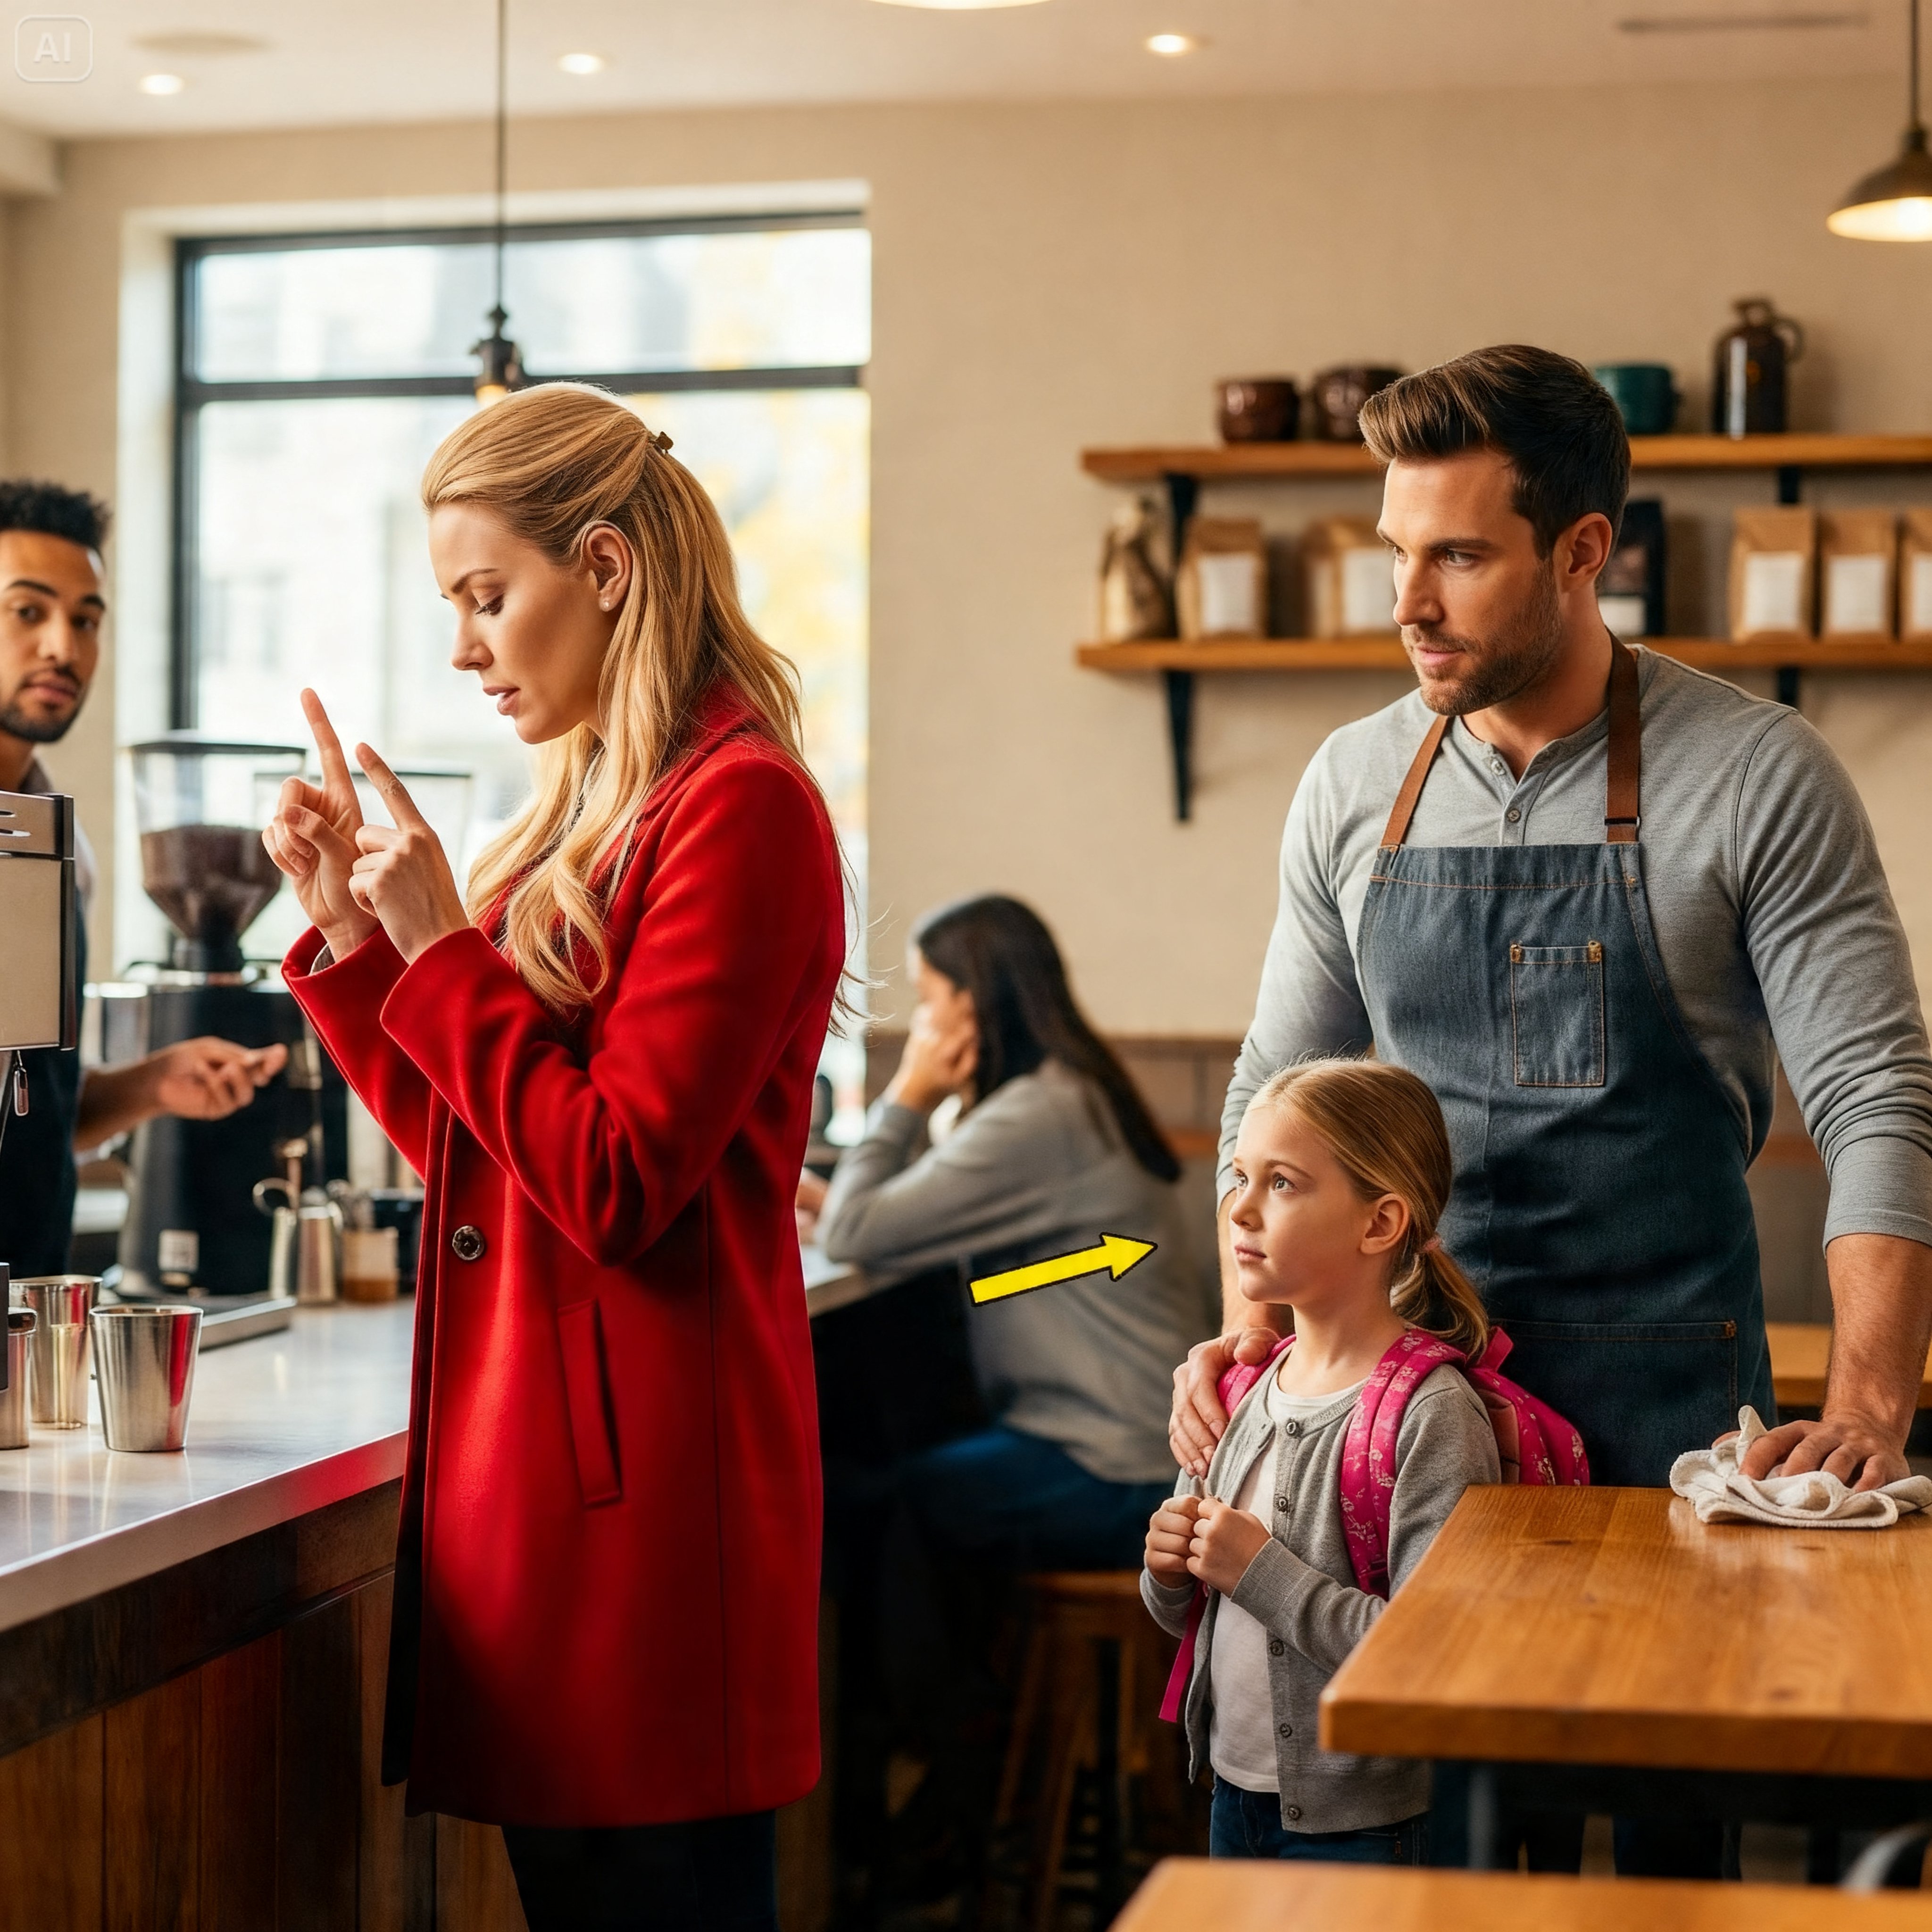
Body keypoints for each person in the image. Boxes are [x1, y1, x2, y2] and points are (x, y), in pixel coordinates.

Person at [1167, 345, 1932, 1878]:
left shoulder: (1757, 774)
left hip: (1664, 1402)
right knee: (1431, 1835)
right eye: (1398, 549)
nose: (1409, 598)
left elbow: (1874, 1097)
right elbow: (1273, 1085)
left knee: (1667, 1851)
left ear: (1585, 551)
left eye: (1456, 553)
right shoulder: (1350, 782)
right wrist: (1256, 1324)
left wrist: (1864, 1403)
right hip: (1406, 1400)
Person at [262, 384, 846, 1932]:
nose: (464, 644)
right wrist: (348, 929)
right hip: (557, 1490)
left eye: (484, 594)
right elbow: (481, 1156)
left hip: (646, 1514)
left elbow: (609, 1180)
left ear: (601, 565)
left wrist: (442, 943)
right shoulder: (608, 800)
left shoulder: (744, 808)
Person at [814, 893, 1212, 1904]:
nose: (927, 1024)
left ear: (979, 1007)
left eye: (935, 999)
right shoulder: (1068, 1093)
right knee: (899, 1494)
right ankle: (952, 1767)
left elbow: (860, 1233)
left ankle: (956, 1787)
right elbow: (913, 1224)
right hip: (1125, 1446)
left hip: (1113, 1467)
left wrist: (902, 1095)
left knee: (896, 1508)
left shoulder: (1038, 1113)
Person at [1143, 1059, 1499, 1868]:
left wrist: (1255, 1569)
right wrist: (1169, 1572)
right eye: (1241, 1176)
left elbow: (1424, 1652)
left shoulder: (1432, 1414)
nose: (1239, 1208)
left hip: (1367, 1826)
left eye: (1283, 1184)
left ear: (1379, 1225)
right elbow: (1189, 1614)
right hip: (1231, 1796)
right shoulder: (1234, 1388)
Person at [0, 480, 284, 1280]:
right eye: (29, 611)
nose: (63, 645)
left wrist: (156, 1083)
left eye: (86, 620)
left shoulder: (65, 852)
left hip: (35, 1308)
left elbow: (34, 1108)